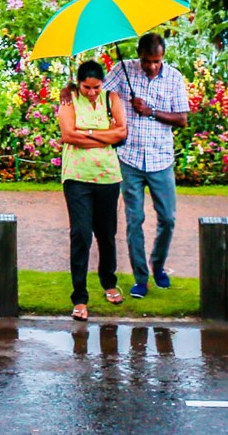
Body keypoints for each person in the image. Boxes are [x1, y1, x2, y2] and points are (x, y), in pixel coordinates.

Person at [105, 31, 189, 298]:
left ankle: (159, 265)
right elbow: (98, 92)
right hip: (130, 158)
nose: (152, 66)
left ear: (162, 57)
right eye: (147, 61)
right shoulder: (123, 70)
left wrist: (150, 111)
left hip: (161, 159)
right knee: (134, 220)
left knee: (168, 218)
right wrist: (115, 103)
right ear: (139, 56)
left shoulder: (174, 77)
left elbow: (182, 119)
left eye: (156, 61)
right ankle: (141, 277)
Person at [58, 58, 128, 320]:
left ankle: (109, 282)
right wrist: (102, 135)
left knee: (107, 234)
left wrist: (85, 134)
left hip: (108, 177)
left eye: (96, 87)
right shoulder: (69, 99)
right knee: (80, 234)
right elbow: (68, 135)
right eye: (87, 87)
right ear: (78, 84)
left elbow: (121, 132)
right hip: (77, 177)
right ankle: (79, 297)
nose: (92, 92)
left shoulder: (112, 99)